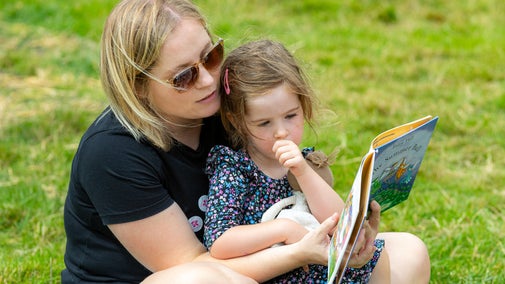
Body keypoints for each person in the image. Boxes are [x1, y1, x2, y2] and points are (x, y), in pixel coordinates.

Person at [61, 0, 430, 283]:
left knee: (408, 252)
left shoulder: (226, 110)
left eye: (211, 56)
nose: (207, 80)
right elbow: (197, 265)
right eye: (184, 76)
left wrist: (348, 238)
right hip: (195, 274)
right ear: (138, 87)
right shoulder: (112, 153)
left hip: (265, 262)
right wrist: (303, 251)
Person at [203, 39, 388, 283]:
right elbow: (220, 241)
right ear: (237, 121)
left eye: (290, 116)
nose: (281, 132)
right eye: (264, 123)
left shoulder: (304, 162)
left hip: (321, 268)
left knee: (380, 256)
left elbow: (339, 224)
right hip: (275, 273)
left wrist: (304, 173)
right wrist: (285, 231)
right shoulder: (234, 169)